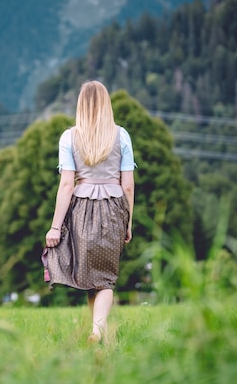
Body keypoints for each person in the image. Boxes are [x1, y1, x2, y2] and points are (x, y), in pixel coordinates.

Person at [44, 80, 135, 344]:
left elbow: (66, 184)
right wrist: (129, 220)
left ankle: (97, 333)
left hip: (81, 210)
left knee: (92, 277)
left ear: (80, 104)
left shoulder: (69, 137)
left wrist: (55, 226)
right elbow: (127, 185)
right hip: (114, 209)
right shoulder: (122, 135)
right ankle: (98, 333)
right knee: (105, 278)